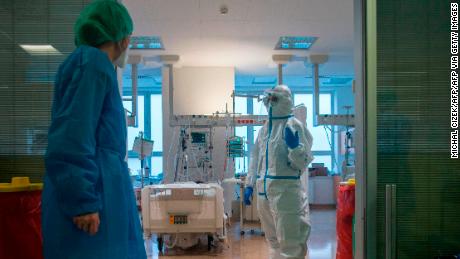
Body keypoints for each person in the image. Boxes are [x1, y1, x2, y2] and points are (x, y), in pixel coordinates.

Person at [42, 1, 146, 258]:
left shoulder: (94, 66)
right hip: (93, 193)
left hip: (102, 186)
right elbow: (71, 135)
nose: (128, 43)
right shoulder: (91, 63)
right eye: (128, 38)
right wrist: (82, 201)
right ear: (121, 38)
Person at [244, 85, 314, 259]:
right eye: (267, 100)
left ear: (285, 100)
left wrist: (295, 147)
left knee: (290, 243)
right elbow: (255, 158)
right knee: (273, 241)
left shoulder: (293, 125)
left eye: (273, 100)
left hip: (286, 192)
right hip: (264, 192)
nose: (269, 103)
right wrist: (250, 184)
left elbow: (301, 163)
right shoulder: (265, 128)